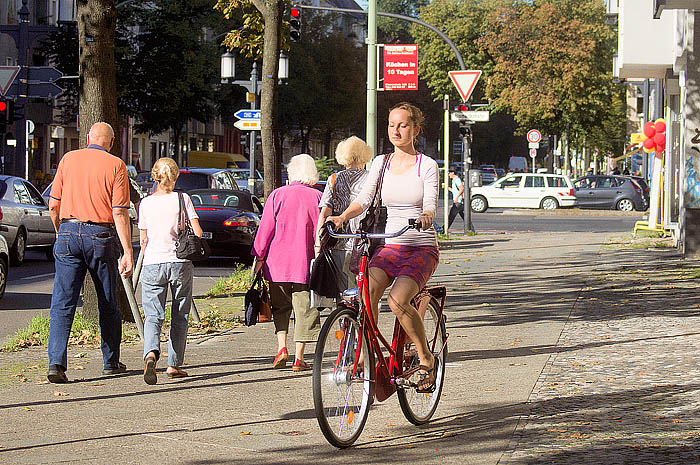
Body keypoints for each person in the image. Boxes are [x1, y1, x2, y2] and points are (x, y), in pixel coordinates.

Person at [327, 102, 440, 393]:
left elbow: (430, 204)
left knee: (398, 300)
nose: (396, 130)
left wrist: (427, 217)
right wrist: (341, 216)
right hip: (390, 245)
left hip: (419, 247)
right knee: (367, 294)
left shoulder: (426, 165)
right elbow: (364, 199)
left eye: (403, 125)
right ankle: (370, 355)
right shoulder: (381, 163)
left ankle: (425, 356)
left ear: (415, 129)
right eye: (391, 124)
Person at [46, 122, 133, 384]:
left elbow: (53, 205)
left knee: (63, 301)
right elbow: (119, 211)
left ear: (88, 138)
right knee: (107, 300)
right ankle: (110, 361)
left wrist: (62, 232)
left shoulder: (68, 159)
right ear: (112, 141)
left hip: (68, 232)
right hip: (100, 236)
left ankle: (56, 363)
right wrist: (127, 250)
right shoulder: (116, 165)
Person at [252, 154, 323, 371]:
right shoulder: (319, 197)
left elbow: (265, 230)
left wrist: (259, 256)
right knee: (305, 309)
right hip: (306, 264)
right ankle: (299, 358)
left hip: (277, 264)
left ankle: (282, 347)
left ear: (291, 173)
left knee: (280, 307)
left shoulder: (277, 195)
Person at [138, 158, 203, 385]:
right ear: (175, 177)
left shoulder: (145, 204)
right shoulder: (182, 199)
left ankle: (150, 354)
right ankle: (173, 364)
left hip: (152, 264)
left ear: (154, 177)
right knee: (180, 314)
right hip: (179, 262)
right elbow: (198, 231)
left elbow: (144, 239)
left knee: (153, 315)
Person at [316, 136, 373, 292]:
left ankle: (344, 315)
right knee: (364, 291)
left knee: (343, 293)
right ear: (365, 155)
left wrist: (318, 243)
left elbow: (324, 213)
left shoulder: (334, 179)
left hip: (338, 242)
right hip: (365, 243)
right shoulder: (371, 179)